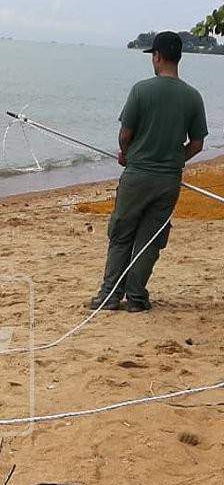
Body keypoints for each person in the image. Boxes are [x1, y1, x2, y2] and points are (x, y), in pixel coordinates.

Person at [89, 31, 207, 313]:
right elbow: (198, 143)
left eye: (152, 56)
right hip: (168, 180)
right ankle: (137, 298)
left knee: (122, 234)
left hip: (137, 175)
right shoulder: (193, 96)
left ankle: (110, 295)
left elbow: (125, 133)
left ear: (157, 56)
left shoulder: (141, 90)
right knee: (150, 240)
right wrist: (176, 159)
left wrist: (126, 154)